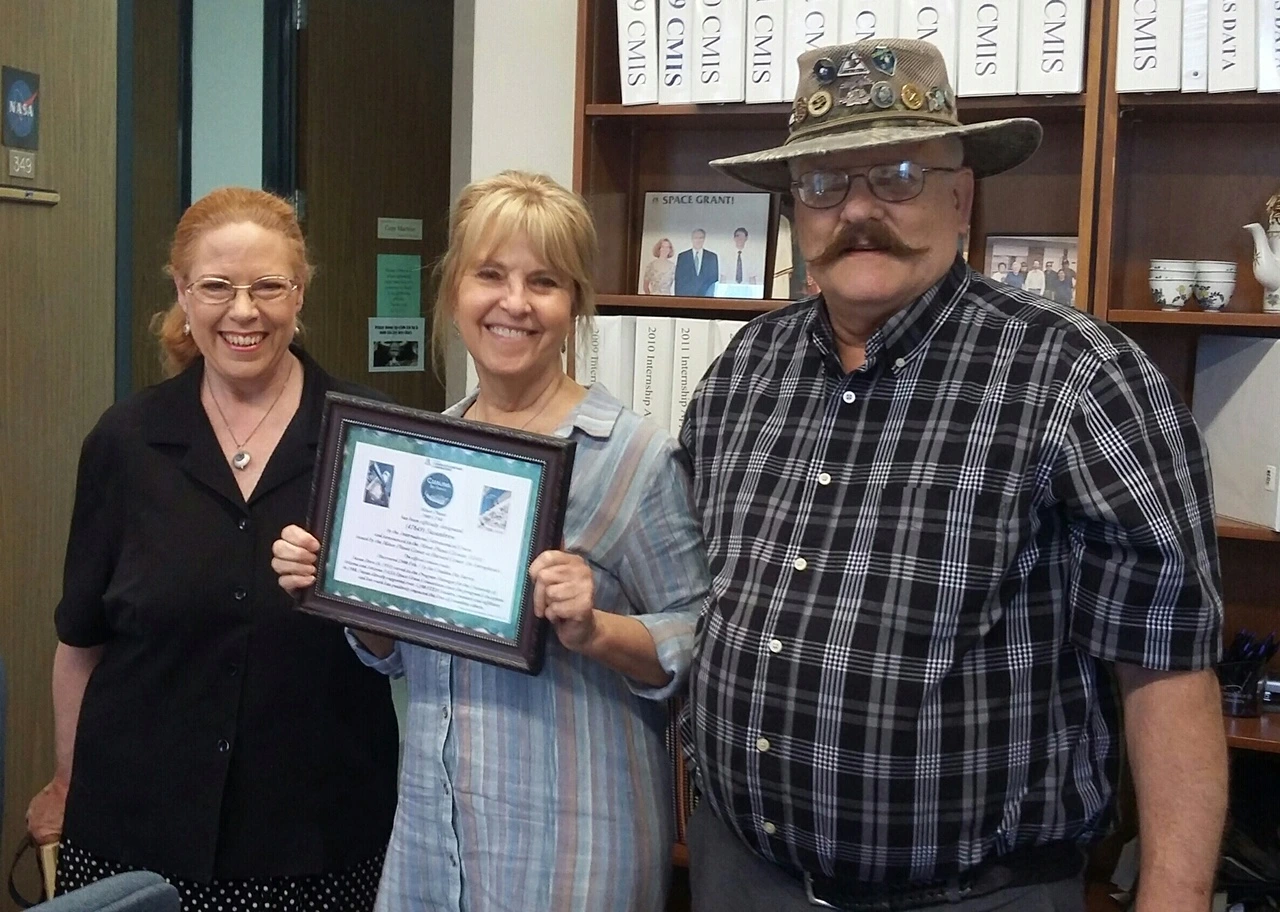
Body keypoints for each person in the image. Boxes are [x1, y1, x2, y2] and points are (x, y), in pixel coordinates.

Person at [681, 38, 1227, 912]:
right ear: (795, 210)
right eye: (824, 183)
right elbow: (708, 597)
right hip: (742, 875)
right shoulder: (745, 370)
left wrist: (1172, 895)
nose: (857, 209)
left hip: (976, 897)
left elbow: (1164, 666)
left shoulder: (1079, 379)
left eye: (896, 173)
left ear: (962, 193)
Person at [271, 170, 710, 912]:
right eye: (490, 275)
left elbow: (699, 640)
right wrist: (344, 586)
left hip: (574, 851)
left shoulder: (633, 458)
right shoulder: (425, 453)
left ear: (574, 307)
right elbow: (399, 657)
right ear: (454, 294)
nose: (514, 303)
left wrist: (596, 628)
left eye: (544, 281)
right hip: (432, 841)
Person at [25, 187, 399, 909]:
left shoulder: (371, 438)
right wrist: (67, 783)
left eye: (268, 286)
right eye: (217, 286)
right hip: (135, 836)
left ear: (300, 290)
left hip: (313, 838)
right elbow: (80, 640)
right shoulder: (125, 441)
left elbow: (397, 648)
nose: (243, 310)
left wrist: (349, 591)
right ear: (182, 292)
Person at [675, 228, 719, 296]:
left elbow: (713, 280)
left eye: (701, 238)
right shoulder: (682, 256)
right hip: (686, 297)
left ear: (704, 239)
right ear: (692, 239)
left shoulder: (712, 257)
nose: (698, 240)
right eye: (695, 238)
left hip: (706, 298)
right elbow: (679, 280)